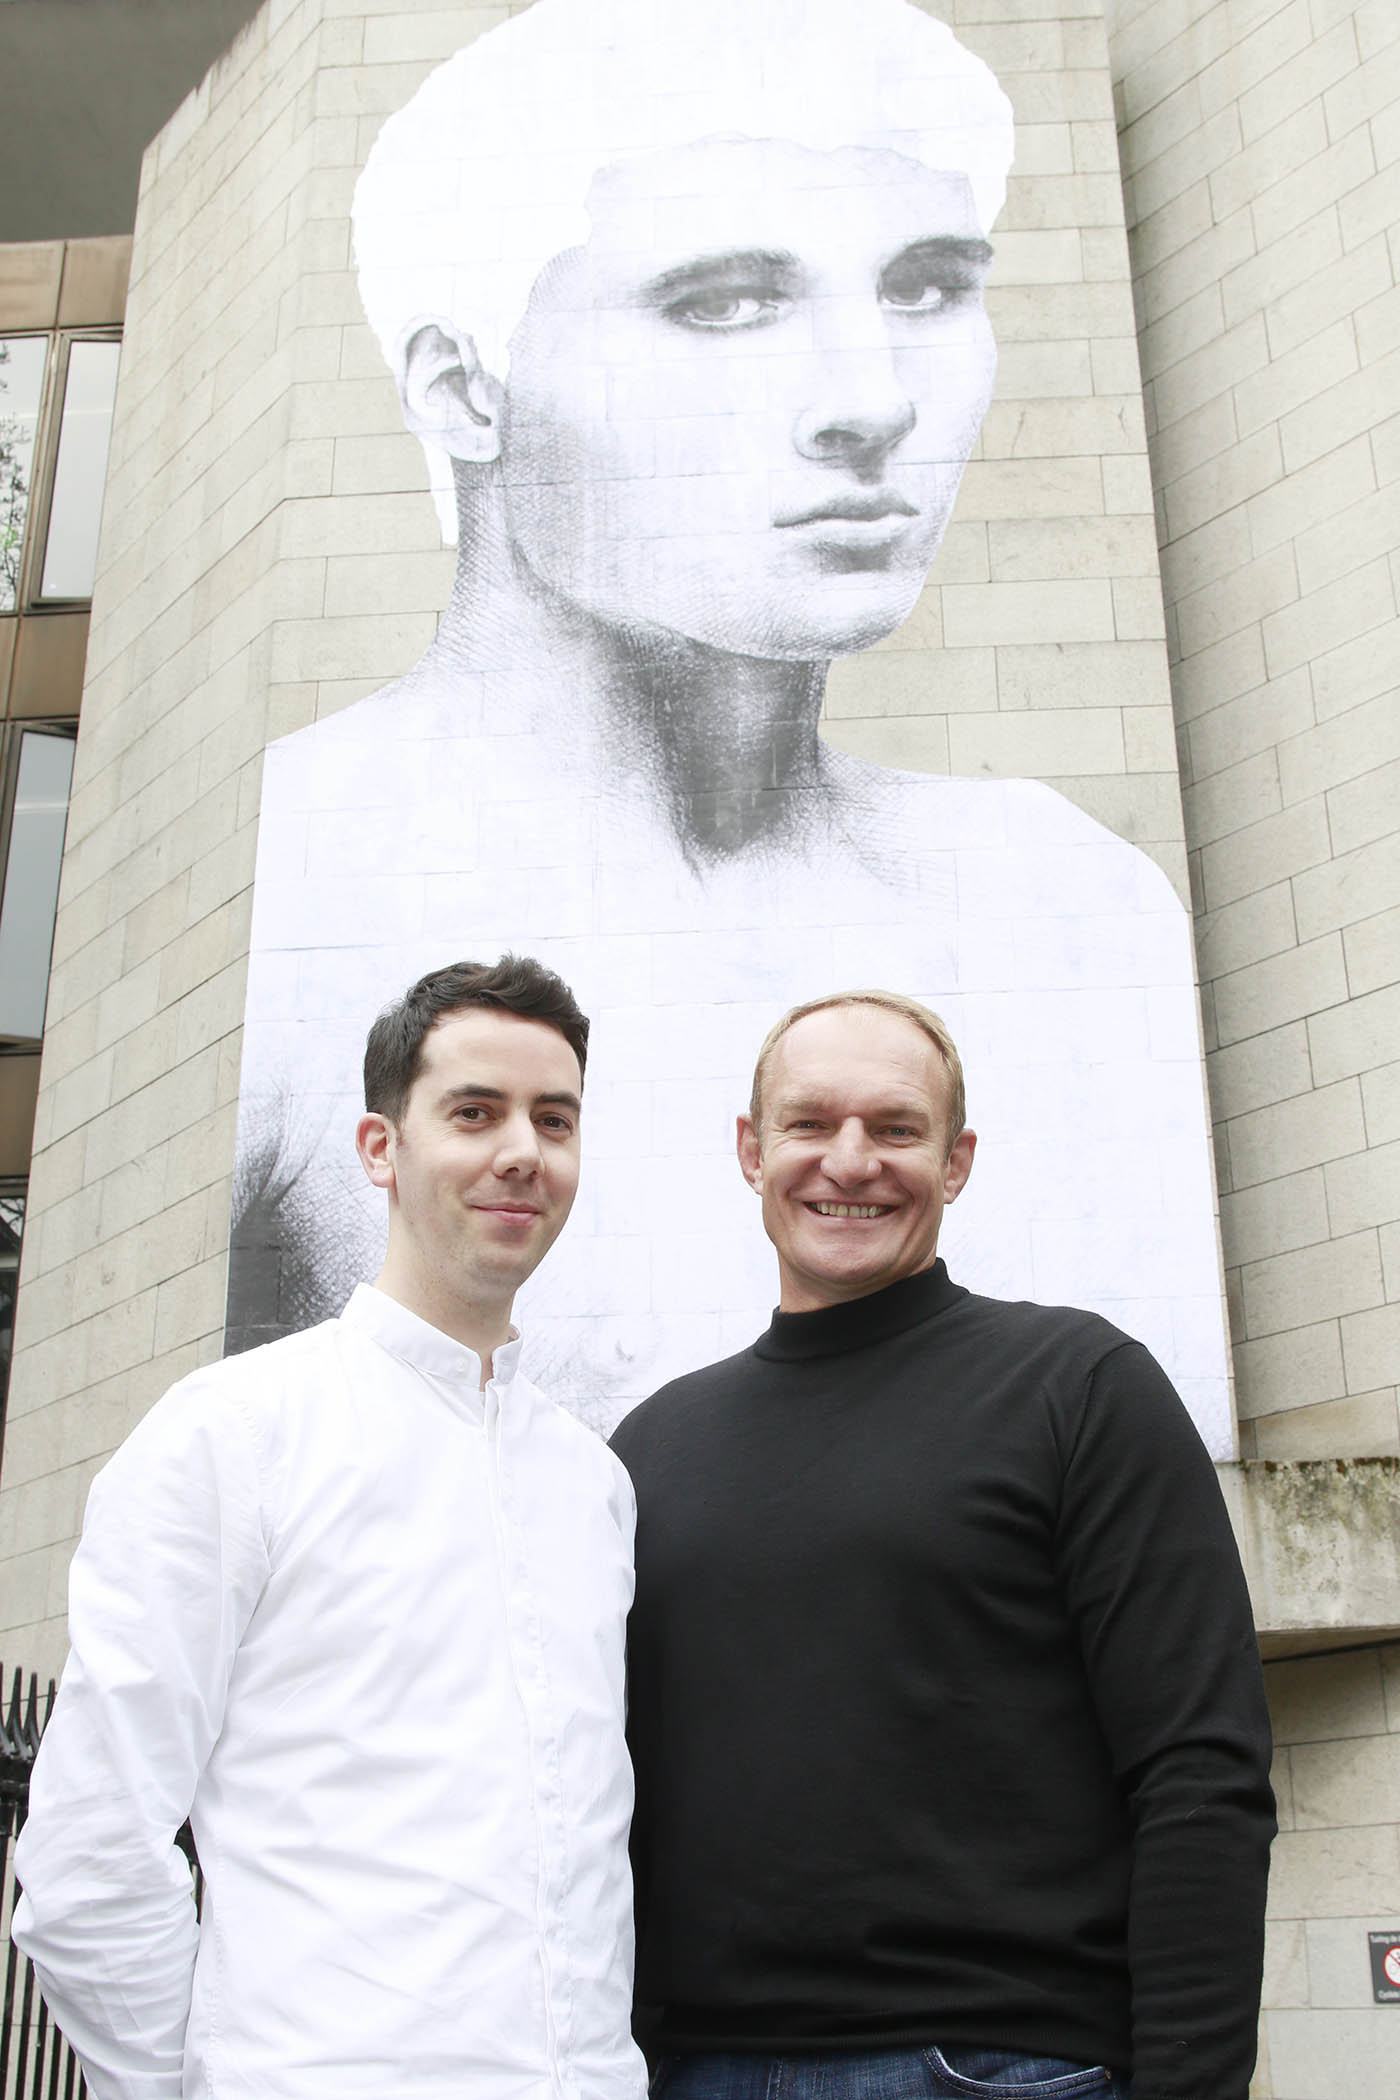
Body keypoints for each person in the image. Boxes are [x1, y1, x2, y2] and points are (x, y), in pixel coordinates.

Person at [229, 0, 1231, 1458]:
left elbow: (1174, 1506)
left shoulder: (1071, 906)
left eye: (928, 287)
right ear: (463, 387)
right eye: (724, 304)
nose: (871, 402)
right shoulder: (305, 886)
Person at [610, 990, 1275, 2100]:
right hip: (692, 2070)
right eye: (810, 1123)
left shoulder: (1076, 1389)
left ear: (955, 1161)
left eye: (896, 1128)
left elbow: (1198, 1772)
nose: (850, 1159)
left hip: (997, 2064)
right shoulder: (647, 1449)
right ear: (749, 1149)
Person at [14, 956, 647, 2100]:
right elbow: (86, 1860)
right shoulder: (231, 1436)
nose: (522, 1150)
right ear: (379, 1148)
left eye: (553, 1120)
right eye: (473, 1112)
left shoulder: (593, 1486)